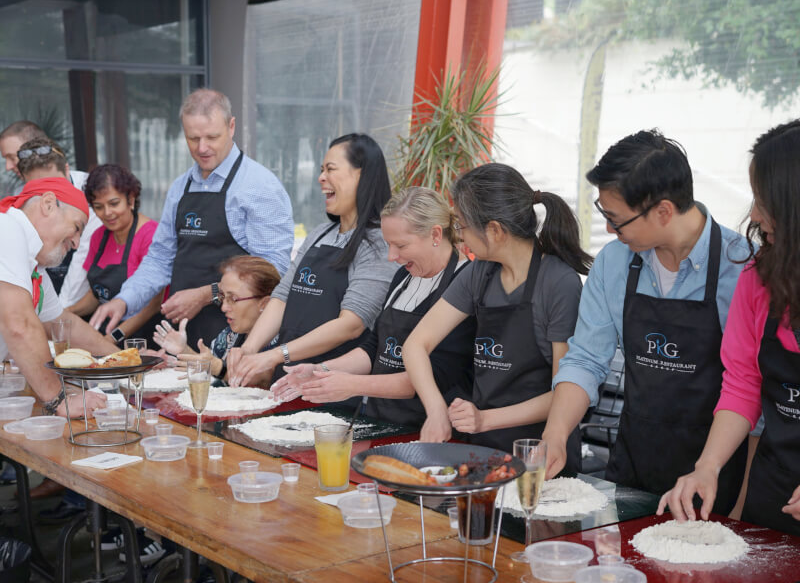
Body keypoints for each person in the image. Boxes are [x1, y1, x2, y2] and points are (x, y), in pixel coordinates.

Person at [541, 130, 750, 514]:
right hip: (633, 465)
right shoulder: (614, 262)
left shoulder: (743, 269)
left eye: (616, 220)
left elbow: (752, 390)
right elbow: (586, 358)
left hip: (716, 477)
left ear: (663, 211)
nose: (608, 231)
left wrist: (740, 501)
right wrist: (555, 433)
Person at [658, 120, 800, 535]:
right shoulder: (758, 277)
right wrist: (708, 466)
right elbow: (743, 382)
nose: (753, 215)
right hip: (774, 491)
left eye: (762, 200)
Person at [404, 163, 591, 458]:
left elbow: (566, 391)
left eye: (462, 226)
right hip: (483, 448)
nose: (460, 236)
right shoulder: (479, 273)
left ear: (494, 230)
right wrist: (436, 409)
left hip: (542, 453)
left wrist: (485, 419)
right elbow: (415, 344)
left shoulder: (558, 283)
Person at [89, 88, 294, 348]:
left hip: (237, 338)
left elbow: (274, 270)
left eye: (212, 137)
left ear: (231, 127)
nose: (202, 148)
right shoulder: (179, 188)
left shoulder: (259, 186)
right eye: (193, 138)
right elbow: (160, 258)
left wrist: (206, 294)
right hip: (182, 335)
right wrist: (124, 300)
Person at [271, 187, 474, 427]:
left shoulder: (464, 284)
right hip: (381, 421)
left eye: (401, 245)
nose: (391, 256)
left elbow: (435, 376)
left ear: (436, 235)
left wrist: (351, 385)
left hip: (431, 428)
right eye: (388, 244)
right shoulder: (403, 277)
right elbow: (374, 348)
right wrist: (320, 370)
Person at [228, 133, 399, 401]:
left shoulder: (379, 244)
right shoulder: (320, 234)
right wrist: (249, 349)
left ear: (362, 176)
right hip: (286, 385)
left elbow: (350, 326)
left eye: (330, 169)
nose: (321, 178)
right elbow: (281, 298)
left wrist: (275, 354)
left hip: (335, 393)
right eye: (321, 170)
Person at [0, 177, 113, 414]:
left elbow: (63, 323)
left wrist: (126, 359)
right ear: (49, 204)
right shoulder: (7, 228)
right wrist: (59, 400)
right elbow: (19, 325)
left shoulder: (34, 267)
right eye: (77, 227)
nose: (76, 242)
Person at [61, 164, 163, 347]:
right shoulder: (98, 236)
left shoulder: (151, 235)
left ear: (130, 200)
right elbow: (96, 296)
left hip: (143, 339)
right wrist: (64, 313)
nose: (107, 213)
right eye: (99, 207)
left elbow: (154, 304)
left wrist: (110, 339)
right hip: (104, 336)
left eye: (114, 203)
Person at [153, 255, 280, 385]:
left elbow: (265, 382)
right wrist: (183, 351)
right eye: (222, 297)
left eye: (233, 299)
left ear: (264, 304)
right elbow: (212, 368)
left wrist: (216, 367)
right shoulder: (228, 336)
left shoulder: (285, 340)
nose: (224, 307)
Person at [13, 133, 102, 308]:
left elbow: (82, 260)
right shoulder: (18, 207)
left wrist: (58, 316)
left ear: (67, 170)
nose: (48, 197)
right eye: (37, 189)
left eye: (53, 183)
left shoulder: (93, 191)